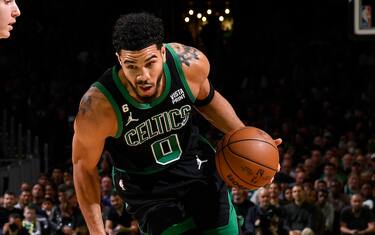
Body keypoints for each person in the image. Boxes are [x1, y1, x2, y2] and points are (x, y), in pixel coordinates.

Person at [72, 12, 281, 235]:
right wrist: (97, 232)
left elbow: (207, 100)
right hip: (146, 187)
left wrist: (253, 142)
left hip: (194, 164)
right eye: (131, 66)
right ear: (119, 60)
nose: (143, 76)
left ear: (162, 53)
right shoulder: (97, 107)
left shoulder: (188, 64)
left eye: (150, 63)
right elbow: (83, 168)